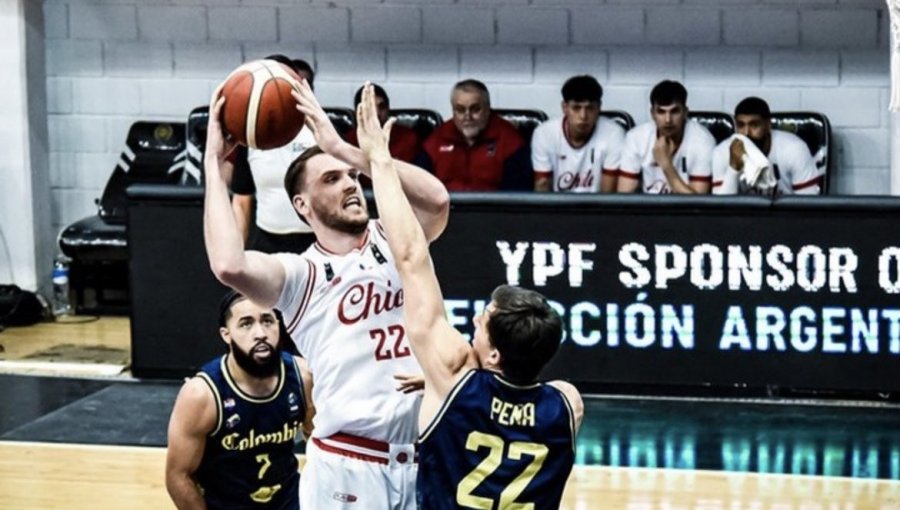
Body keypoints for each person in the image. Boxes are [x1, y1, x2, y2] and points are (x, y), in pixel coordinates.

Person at [203, 74, 449, 509]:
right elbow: (228, 264)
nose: (351, 183)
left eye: (352, 177)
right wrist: (214, 169)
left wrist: (346, 149)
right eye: (332, 179)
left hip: (424, 456)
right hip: (349, 461)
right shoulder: (301, 274)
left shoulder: (395, 235)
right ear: (302, 205)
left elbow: (437, 201)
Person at [355, 83, 584, 510]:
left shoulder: (455, 380)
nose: (474, 324)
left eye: (481, 323)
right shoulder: (567, 403)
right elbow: (521, 388)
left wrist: (379, 160)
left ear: (493, 354)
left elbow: (410, 256)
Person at [165, 291, 313, 510]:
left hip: (289, 501)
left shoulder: (302, 375)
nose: (260, 333)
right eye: (246, 324)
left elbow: (322, 443)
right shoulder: (201, 394)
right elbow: (178, 476)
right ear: (226, 334)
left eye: (267, 321)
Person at [229, 55, 317, 254]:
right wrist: (237, 256)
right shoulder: (250, 138)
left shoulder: (319, 130)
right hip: (268, 242)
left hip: (317, 242)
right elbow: (242, 201)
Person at [419, 79, 532, 191]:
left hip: (494, 207)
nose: (467, 116)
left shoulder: (510, 141)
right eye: (460, 110)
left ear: (488, 109)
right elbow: (421, 187)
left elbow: (516, 195)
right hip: (447, 206)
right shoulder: (436, 140)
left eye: (475, 109)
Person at [617, 80, 715, 194]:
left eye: (675, 111)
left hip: (687, 211)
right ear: (652, 114)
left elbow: (699, 204)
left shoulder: (703, 141)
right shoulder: (636, 138)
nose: (668, 120)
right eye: (661, 112)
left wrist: (666, 164)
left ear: (685, 112)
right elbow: (624, 197)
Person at [712, 96, 823, 196]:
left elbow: (808, 206)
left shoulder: (794, 149)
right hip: (742, 217)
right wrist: (734, 168)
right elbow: (720, 209)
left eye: (754, 125)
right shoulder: (721, 153)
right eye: (741, 125)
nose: (746, 133)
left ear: (768, 125)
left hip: (786, 216)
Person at [532, 75, 624, 193]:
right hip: (557, 208)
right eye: (576, 108)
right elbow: (542, 188)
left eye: (590, 108)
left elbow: (608, 194)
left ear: (599, 108)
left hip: (597, 208)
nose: (583, 116)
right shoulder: (544, 133)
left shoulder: (614, 134)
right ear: (564, 108)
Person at [345, 83, 421, 163]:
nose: (377, 113)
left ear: (388, 109)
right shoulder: (349, 141)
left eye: (382, 107)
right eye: (370, 107)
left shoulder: (408, 138)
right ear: (359, 112)